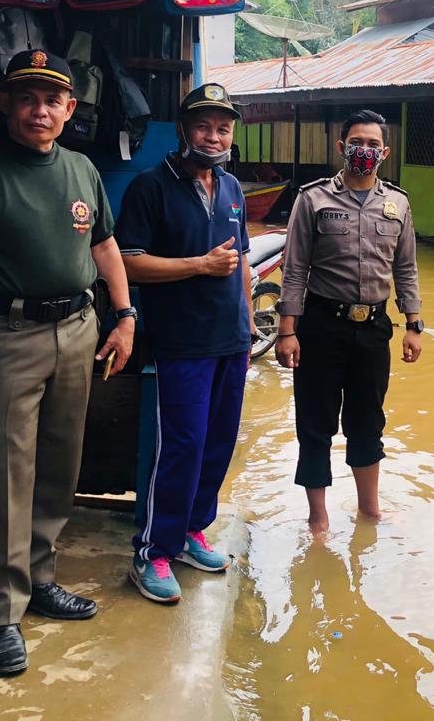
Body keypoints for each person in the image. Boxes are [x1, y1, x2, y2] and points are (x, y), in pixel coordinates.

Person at [0, 50, 135, 677]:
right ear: (6, 104)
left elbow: (104, 246)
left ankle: (38, 577)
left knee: (57, 463)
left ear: (70, 109)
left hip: (77, 328)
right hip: (3, 334)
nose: (39, 111)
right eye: (26, 98)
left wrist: (124, 316)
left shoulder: (82, 169)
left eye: (51, 100)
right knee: (1, 472)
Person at [114, 83, 253, 604]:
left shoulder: (233, 188)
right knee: (181, 447)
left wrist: (248, 325)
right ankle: (153, 551)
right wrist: (199, 265)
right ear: (182, 130)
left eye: (223, 129)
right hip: (181, 342)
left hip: (230, 340)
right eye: (203, 126)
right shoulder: (151, 187)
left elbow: (241, 260)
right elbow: (127, 263)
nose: (213, 137)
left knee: (217, 443)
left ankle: (193, 532)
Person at [275, 108, 423, 533]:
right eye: (357, 142)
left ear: (385, 152)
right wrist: (287, 331)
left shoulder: (398, 203)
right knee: (315, 423)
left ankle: (369, 510)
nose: (365, 150)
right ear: (342, 147)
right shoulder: (313, 199)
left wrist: (413, 324)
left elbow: (406, 268)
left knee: (367, 421)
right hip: (321, 327)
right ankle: (318, 520)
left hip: (374, 329)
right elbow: (295, 269)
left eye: (373, 144)